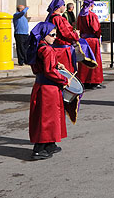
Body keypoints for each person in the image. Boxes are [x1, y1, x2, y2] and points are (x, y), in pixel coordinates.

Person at [27, 21, 70, 160]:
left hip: (41, 86)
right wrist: (64, 80)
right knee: (46, 119)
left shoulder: (38, 47)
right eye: (52, 34)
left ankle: (50, 144)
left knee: (50, 117)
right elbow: (49, 71)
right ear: (44, 35)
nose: (55, 37)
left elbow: (43, 67)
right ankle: (38, 149)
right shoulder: (46, 50)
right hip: (48, 89)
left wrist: (56, 64)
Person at [46, 0, 80, 73]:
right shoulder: (58, 19)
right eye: (63, 5)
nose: (65, 7)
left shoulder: (50, 17)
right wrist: (76, 34)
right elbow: (67, 33)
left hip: (55, 48)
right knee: (66, 72)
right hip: (62, 51)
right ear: (59, 6)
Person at [76, 0, 104, 90]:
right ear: (91, 5)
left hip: (84, 40)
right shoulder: (92, 15)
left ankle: (84, 80)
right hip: (92, 40)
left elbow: (78, 27)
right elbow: (96, 29)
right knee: (94, 59)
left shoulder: (80, 15)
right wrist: (98, 35)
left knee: (84, 60)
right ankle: (94, 81)